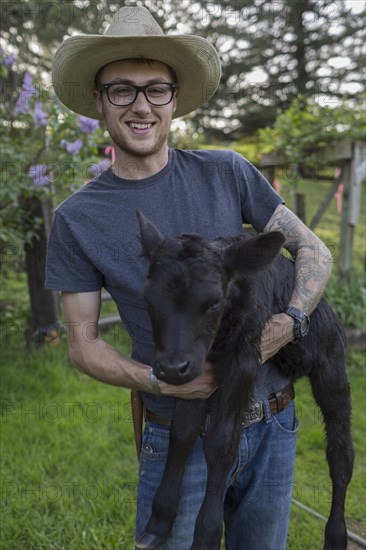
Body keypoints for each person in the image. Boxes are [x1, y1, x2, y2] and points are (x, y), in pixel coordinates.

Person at [46, 6, 332, 549]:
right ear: (97, 101)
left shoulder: (227, 170)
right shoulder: (76, 219)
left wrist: (288, 324)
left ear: (174, 99)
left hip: (273, 422)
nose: (140, 105)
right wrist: (157, 380)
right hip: (175, 429)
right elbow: (82, 342)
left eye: (156, 89)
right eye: (121, 90)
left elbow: (312, 250)